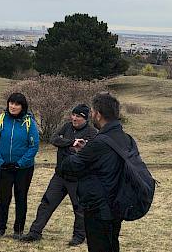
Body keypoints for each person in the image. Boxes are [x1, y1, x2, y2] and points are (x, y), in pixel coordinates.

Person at [57, 93, 130, 252]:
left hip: (99, 208)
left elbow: (69, 166)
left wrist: (77, 152)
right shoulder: (126, 139)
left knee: (99, 246)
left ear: (98, 114)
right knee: (112, 244)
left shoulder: (98, 142)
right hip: (118, 205)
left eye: (92, 112)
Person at [20, 104, 98, 245]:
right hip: (60, 175)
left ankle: (79, 236)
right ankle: (35, 232)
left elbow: (93, 153)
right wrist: (70, 143)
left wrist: (82, 148)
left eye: (78, 116)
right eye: (73, 115)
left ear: (85, 118)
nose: (74, 118)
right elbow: (54, 139)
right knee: (46, 203)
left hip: (79, 178)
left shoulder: (92, 133)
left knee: (79, 208)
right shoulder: (66, 126)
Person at [0, 92, 40, 239]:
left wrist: (20, 163)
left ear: (22, 106)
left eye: (17, 104)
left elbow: (34, 145)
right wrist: (0, 160)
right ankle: (0, 228)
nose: (13, 106)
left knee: (21, 197)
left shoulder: (29, 122)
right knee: (3, 198)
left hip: (23, 168)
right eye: (11, 102)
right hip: (3, 167)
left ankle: (18, 230)